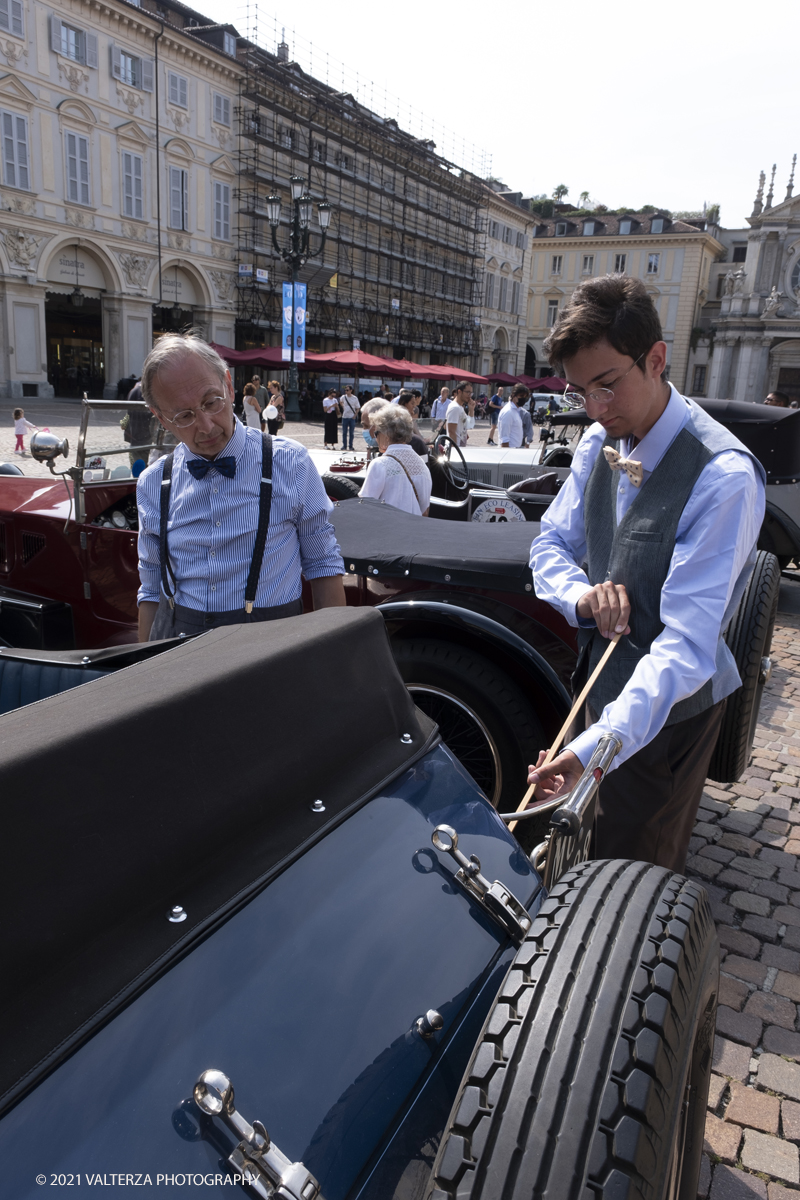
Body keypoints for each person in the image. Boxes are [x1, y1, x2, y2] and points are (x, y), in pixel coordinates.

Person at [526, 275, 765, 872]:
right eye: (581, 392)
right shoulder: (597, 441)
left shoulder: (724, 475)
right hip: (602, 689)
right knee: (578, 843)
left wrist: (590, 751)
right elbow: (549, 542)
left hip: (671, 715)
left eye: (607, 386)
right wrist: (582, 596)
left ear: (656, 359)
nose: (595, 409)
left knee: (633, 874)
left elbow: (684, 646)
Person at [135, 334, 345, 642]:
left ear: (229, 385)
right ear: (161, 418)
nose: (205, 425)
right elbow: (151, 588)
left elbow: (323, 563)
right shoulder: (153, 482)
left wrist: (335, 657)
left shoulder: (290, 462)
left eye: (211, 402)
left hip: (271, 649)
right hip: (178, 653)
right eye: (184, 416)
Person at [359, 406, 432, 516]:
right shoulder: (422, 466)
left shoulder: (380, 464)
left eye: (376, 433)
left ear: (385, 434)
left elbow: (365, 506)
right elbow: (425, 511)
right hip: (414, 530)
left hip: (387, 530)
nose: (375, 438)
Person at [396, 391, 430, 456]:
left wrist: (422, 439)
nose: (414, 406)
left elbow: (414, 426)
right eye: (412, 403)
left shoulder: (409, 417)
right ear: (405, 404)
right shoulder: (399, 418)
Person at [446, 382, 476, 447]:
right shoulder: (454, 408)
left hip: (460, 447)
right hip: (455, 449)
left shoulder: (460, 407)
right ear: (459, 391)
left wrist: (471, 409)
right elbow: (451, 432)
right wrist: (455, 451)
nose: (470, 395)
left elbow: (469, 425)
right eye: (468, 392)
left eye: (471, 393)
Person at [339, 384, 360, 450]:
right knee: (344, 432)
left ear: (351, 390)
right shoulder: (343, 397)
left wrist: (355, 415)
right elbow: (340, 401)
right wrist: (343, 406)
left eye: (347, 390)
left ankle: (350, 446)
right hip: (345, 416)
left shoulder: (355, 398)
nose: (346, 391)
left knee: (351, 433)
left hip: (352, 417)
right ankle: (344, 445)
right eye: (345, 390)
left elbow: (358, 408)